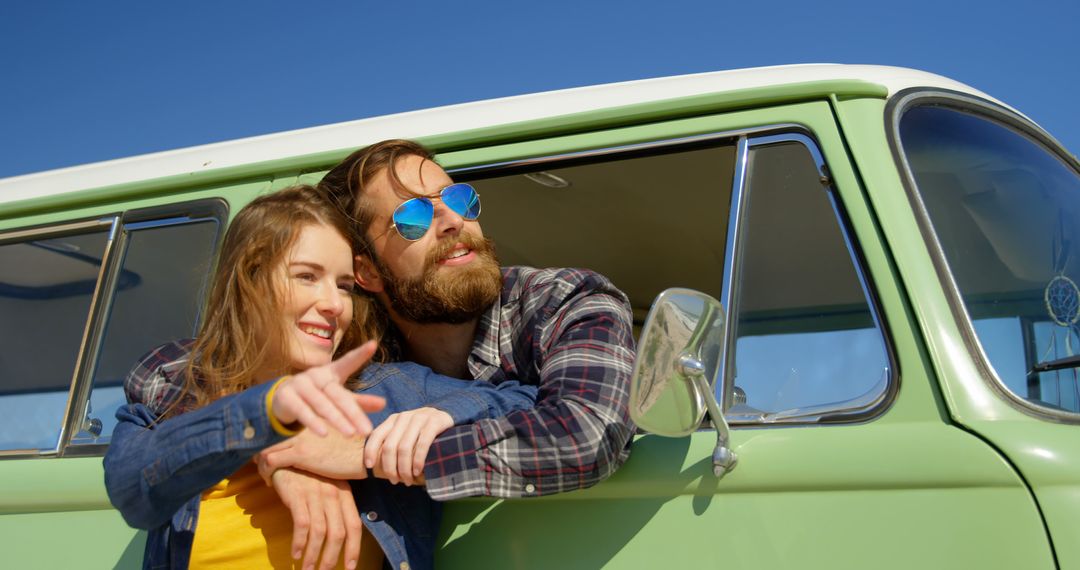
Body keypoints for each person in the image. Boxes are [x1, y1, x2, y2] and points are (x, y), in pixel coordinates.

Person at [104, 185, 537, 570]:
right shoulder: (176, 389)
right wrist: (269, 423)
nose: (334, 304)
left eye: (345, 285)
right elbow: (131, 489)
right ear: (250, 281)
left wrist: (442, 416)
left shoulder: (389, 389)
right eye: (307, 277)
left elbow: (525, 401)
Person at [261, 139, 637, 501]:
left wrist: (369, 456)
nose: (453, 220)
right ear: (368, 272)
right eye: (413, 215)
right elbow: (222, 368)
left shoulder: (563, 299)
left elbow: (587, 435)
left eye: (459, 199)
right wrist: (288, 461)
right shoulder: (354, 353)